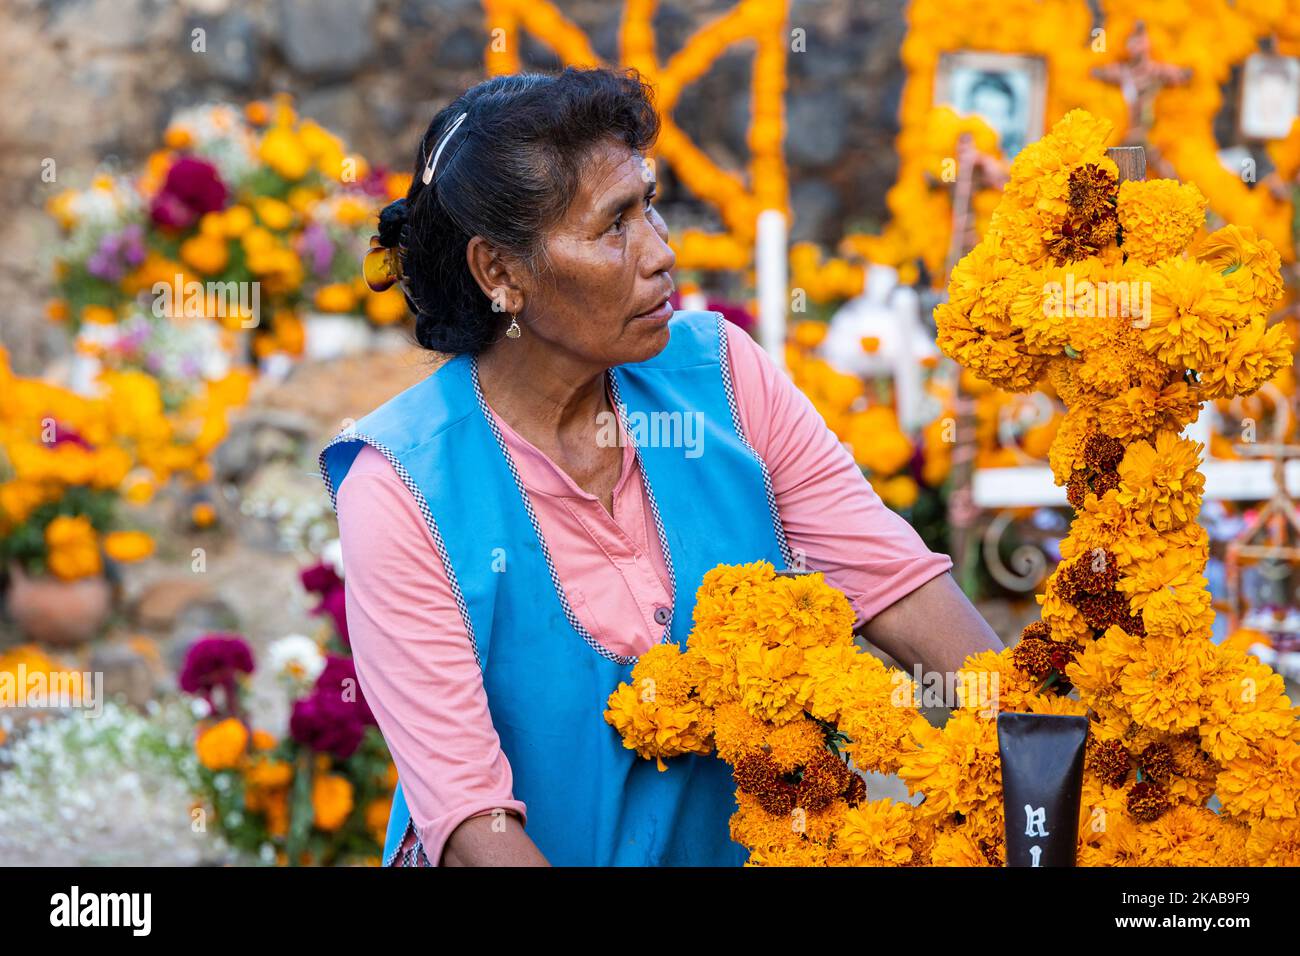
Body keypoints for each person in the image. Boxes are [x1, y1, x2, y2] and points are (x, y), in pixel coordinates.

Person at [320, 66, 1002, 867]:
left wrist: (1046, 762)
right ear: (500, 273)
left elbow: (896, 584)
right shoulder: (402, 487)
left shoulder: (722, 377)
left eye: (649, 205)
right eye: (614, 227)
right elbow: (472, 821)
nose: (661, 253)